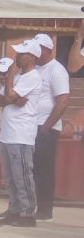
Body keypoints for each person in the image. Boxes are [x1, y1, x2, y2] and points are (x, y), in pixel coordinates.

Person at [0, 40, 44, 227]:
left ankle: (28, 213)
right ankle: (15, 209)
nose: (16, 57)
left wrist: (10, 81)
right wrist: (13, 99)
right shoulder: (17, 77)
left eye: (21, 54)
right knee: (9, 176)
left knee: (22, 174)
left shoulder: (32, 76)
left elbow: (6, 96)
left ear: (31, 57)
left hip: (21, 133)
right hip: (8, 133)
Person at [31, 33, 70, 222]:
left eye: (37, 48)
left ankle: (45, 210)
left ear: (46, 49)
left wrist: (46, 127)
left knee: (44, 169)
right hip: (29, 126)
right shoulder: (33, 69)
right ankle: (30, 205)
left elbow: (62, 102)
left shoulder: (56, 70)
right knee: (32, 168)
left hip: (46, 127)